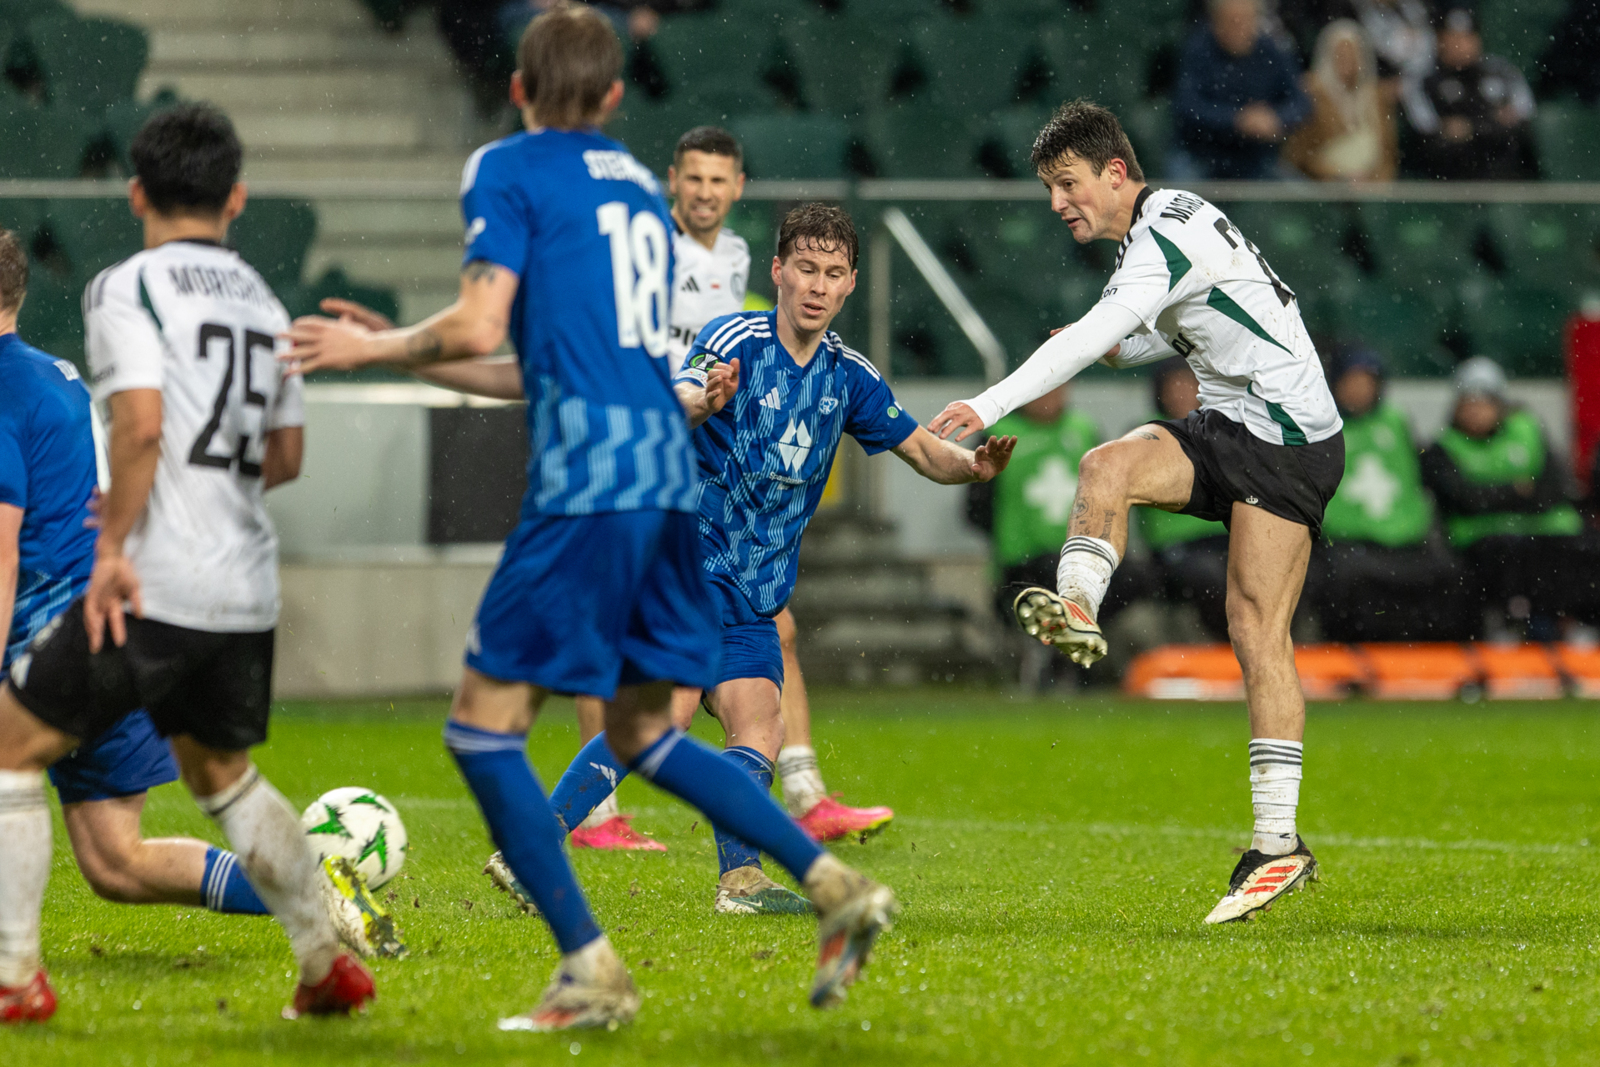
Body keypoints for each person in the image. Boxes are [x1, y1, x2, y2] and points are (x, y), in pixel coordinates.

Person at [283, 5, 896, 1029]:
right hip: (669, 482)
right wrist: (398, 345)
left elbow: (484, 319)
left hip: (588, 485)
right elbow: (544, 355)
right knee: (646, 730)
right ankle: (833, 884)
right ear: (616, 99)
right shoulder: (639, 199)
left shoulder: (507, 170)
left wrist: (375, 350)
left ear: (518, 89)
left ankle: (590, 966)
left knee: (481, 733)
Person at [0, 104, 377, 1024]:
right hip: (245, 588)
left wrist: (120, 543)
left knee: (10, 749)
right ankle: (326, 961)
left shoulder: (127, 288)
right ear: (238, 197)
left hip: (155, 582)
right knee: (225, 781)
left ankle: (14, 979)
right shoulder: (259, 296)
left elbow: (138, 424)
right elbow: (284, 460)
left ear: (136, 193)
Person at [931, 100, 1345, 926]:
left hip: (1288, 440)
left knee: (1256, 629)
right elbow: (1220, 311)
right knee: (1106, 466)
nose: (1057, 203)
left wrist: (990, 402)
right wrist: (1128, 343)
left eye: (1067, 183)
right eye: (1051, 188)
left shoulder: (1163, 232)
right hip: (1236, 421)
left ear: (1115, 172)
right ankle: (1078, 608)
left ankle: (1276, 844)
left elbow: (1092, 336)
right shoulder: (1168, 223)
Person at [1307, 345, 1467, 641]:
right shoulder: (1318, 426)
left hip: (1406, 540)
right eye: (1352, 381)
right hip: (1348, 543)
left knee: (1450, 573)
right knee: (1342, 578)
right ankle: (1347, 650)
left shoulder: (1396, 421)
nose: (1360, 390)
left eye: (1367, 381)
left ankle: (1437, 656)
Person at [1420, 356, 1583, 636]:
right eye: (1468, 403)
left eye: (1484, 402)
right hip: (1485, 538)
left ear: (1500, 404)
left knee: (1578, 549)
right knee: (1507, 553)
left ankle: (1575, 622)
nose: (1476, 411)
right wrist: (1518, 490)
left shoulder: (1527, 429)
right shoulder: (1443, 448)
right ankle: (1510, 626)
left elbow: (1555, 488)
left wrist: (1496, 495)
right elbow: (1465, 499)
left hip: (1542, 529)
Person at [963, 384, 1111, 688]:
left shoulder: (1084, 431)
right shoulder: (1001, 436)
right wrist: (1013, 535)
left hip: (1080, 561)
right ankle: (1062, 663)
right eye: (1042, 389)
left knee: (1133, 578)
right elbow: (975, 508)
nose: (1049, 399)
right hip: (1021, 564)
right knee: (1053, 578)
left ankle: (1077, 660)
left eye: (1057, 389)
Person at [1137, 359, 1230, 640]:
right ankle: (1224, 646)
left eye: (1189, 385)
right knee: (1209, 577)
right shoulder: (1142, 438)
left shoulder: (1224, 433)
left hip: (1224, 540)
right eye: (1173, 386)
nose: (1181, 393)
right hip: (1175, 550)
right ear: (1159, 392)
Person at [1170, 0, 1312, 180]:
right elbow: (1187, 105)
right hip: (1200, 157)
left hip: (1258, 161)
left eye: (1244, 20)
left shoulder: (1272, 51)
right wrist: (1236, 119)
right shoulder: (1197, 50)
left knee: (1302, 200)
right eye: (1230, 20)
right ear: (1215, 21)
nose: (1238, 27)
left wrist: (1275, 118)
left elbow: (1301, 103)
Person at [1410, 7, 1538, 181]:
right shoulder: (1423, 78)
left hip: (1504, 172)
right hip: (1449, 178)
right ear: (1440, 40)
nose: (1460, 44)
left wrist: (1470, 128)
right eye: (1453, 37)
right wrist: (1492, 122)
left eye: (1467, 37)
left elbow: (1523, 115)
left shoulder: (1502, 71)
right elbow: (1429, 131)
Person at [1285, 20, 1398, 181]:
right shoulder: (1311, 93)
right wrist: (1337, 175)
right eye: (1340, 54)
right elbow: (1299, 156)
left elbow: (1388, 151)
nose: (1347, 60)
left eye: (1352, 54)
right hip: (1323, 190)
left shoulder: (1376, 96)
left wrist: (1376, 181)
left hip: (1371, 189)